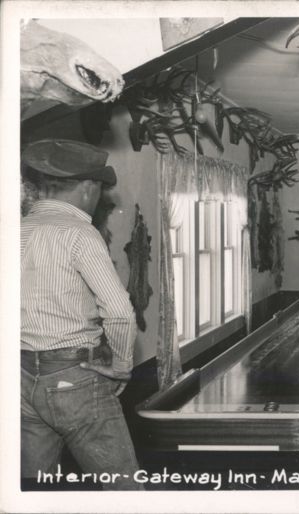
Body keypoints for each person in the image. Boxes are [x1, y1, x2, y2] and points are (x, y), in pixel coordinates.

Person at [20, 139, 142, 490]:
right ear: (89, 187)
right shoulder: (79, 233)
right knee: (124, 490)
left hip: (19, 377)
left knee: (35, 490)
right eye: (100, 190)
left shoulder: (14, 229)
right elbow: (119, 312)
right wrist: (121, 364)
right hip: (75, 377)